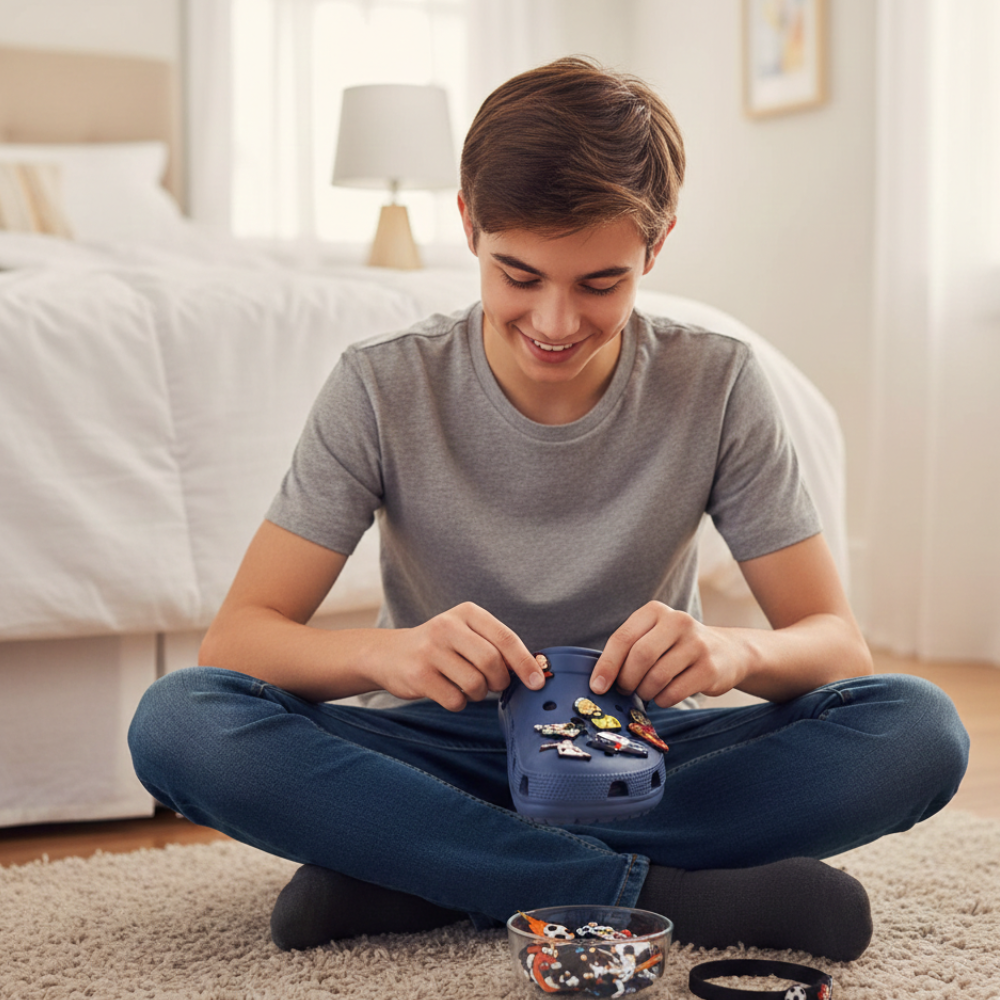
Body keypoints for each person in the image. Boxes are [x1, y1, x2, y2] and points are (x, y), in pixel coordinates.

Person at [128, 57, 969, 961]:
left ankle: (420, 870)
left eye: (599, 284)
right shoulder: (380, 384)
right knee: (179, 720)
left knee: (919, 729)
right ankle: (644, 893)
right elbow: (240, 640)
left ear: (656, 247)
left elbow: (835, 644)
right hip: (432, 749)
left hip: (645, 753)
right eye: (518, 275)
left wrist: (736, 650)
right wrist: (391, 654)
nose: (556, 321)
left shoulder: (718, 381)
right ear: (467, 224)